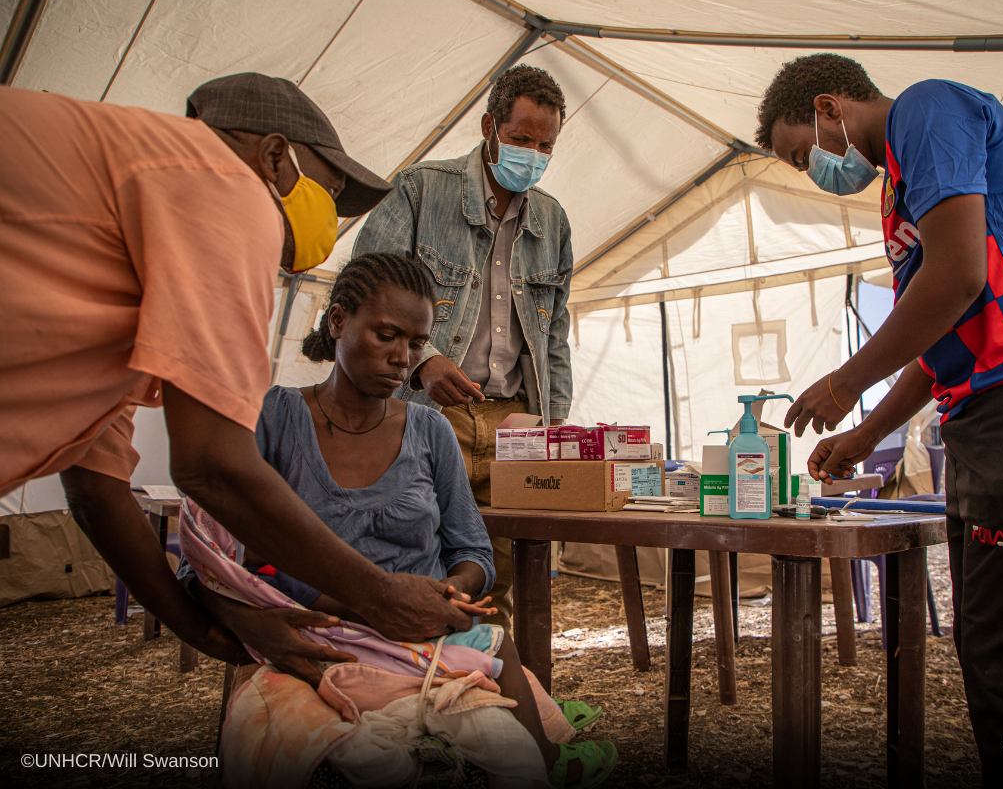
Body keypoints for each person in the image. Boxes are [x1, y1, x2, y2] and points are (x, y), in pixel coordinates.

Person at [755, 54, 1003, 785]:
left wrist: (846, 382)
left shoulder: (929, 110)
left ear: (832, 107)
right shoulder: (902, 191)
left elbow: (959, 276)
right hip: (996, 410)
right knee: (992, 640)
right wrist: (869, 433)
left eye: (805, 153)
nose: (813, 172)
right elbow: (943, 334)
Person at [0, 73, 475, 665]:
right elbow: (211, 467)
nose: (329, 218)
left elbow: (95, 483)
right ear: (275, 157)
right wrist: (377, 596)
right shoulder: (225, 184)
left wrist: (208, 634)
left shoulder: (128, 235)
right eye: (327, 190)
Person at [182, 252, 615, 787]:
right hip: (318, 640)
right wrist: (360, 602)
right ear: (338, 321)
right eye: (385, 335)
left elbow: (473, 552)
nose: (401, 359)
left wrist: (445, 594)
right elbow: (209, 558)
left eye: (415, 344)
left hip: (422, 635)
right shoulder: (275, 420)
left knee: (512, 755)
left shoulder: (431, 432)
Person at [353, 64, 575, 629]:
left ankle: (495, 698)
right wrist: (422, 362)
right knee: (419, 564)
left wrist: (553, 419)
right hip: (432, 417)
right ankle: (420, 691)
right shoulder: (421, 190)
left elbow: (554, 333)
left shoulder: (551, 220)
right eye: (521, 139)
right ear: (488, 127)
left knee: (504, 576)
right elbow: (363, 291)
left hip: (514, 427)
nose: (533, 153)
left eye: (545, 145)